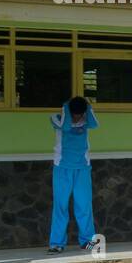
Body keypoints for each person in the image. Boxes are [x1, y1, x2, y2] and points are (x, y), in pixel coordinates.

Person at [48, 96, 99, 254]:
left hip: (82, 169)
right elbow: (66, 127)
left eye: (80, 113)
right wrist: (66, 108)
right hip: (62, 168)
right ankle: (56, 243)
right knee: (60, 206)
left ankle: (87, 242)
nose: (78, 117)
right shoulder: (57, 119)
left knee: (84, 206)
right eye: (75, 113)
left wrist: (88, 108)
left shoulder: (86, 120)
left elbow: (95, 124)